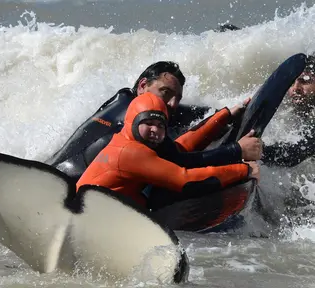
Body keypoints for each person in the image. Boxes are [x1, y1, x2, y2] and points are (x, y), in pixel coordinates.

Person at [46, 61, 262, 181]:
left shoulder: (126, 100)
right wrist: (236, 153)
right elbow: (179, 163)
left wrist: (224, 114)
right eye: (165, 92)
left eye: (177, 98)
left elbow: (183, 119)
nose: (172, 104)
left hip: (53, 173)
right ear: (142, 86)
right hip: (67, 187)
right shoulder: (133, 122)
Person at [76, 92, 260, 208]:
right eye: (147, 123)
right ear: (131, 122)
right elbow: (186, 180)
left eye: (160, 125)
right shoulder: (129, 152)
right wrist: (244, 169)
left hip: (106, 213)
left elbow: (180, 149)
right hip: (93, 223)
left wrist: (225, 116)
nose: (155, 130)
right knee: (173, 190)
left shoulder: (132, 138)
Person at [262, 55, 315, 167]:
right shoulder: (283, 107)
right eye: (291, 82)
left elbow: (294, 154)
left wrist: (257, 150)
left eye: (304, 81)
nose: (296, 88)